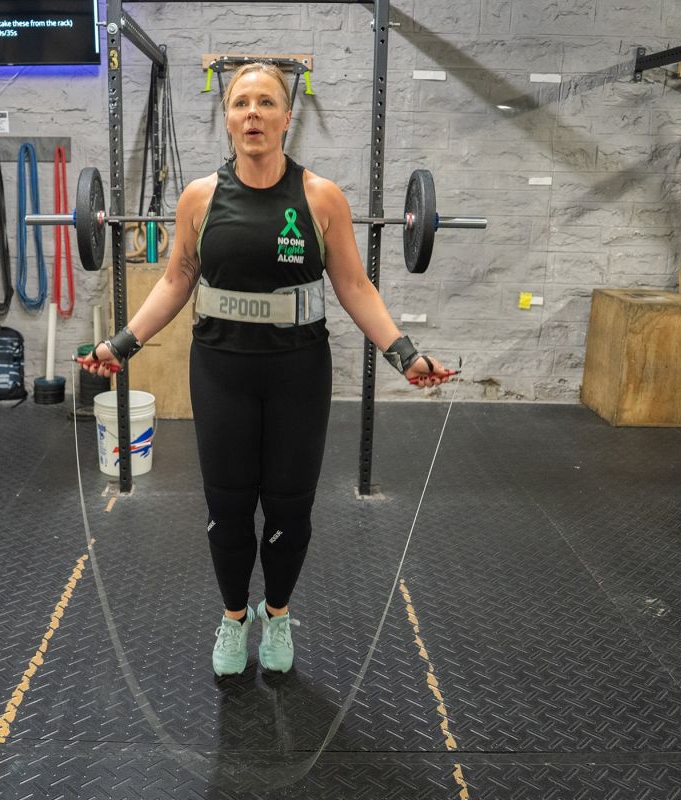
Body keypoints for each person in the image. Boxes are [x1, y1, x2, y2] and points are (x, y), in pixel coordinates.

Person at [81, 62, 453, 677]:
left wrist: (405, 354)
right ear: (227, 118)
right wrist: (121, 345)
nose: (252, 113)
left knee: (288, 509)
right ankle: (234, 620)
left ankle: (276, 615)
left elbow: (355, 285)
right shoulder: (199, 198)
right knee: (227, 508)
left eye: (266, 103)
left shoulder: (321, 197)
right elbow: (177, 280)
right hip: (222, 371)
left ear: (286, 117)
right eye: (240, 103)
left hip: (297, 375)